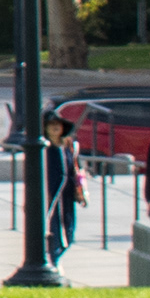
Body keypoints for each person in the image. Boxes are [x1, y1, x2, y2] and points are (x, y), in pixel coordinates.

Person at [40, 111, 84, 263]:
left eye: (57, 124)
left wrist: (80, 190)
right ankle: (53, 259)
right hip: (50, 195)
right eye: (51, 125)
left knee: (69, 229)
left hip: (67, 195)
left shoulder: (69, 147)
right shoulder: (43, 149)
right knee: (52, 229)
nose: (54, 128)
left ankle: (58, 255)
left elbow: (77, 170)